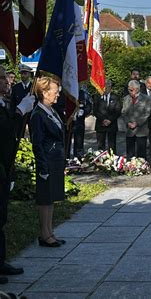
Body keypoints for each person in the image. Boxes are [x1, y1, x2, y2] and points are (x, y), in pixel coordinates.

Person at [0, 66, 34, 284]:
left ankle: (0, 260)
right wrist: (20, 111)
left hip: (4, 165)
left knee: (1, 216)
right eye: (2, 78)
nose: (7, 81)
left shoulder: (3, 103)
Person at [30, 77, 66, 248]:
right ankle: (44, 235)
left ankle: (49, 232)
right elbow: (37, 143)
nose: (58, 93)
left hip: (55, 161)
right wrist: (43, 166)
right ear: (44, 92)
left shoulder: (51, 111)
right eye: (55, 90)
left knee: (51, 198)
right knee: (45, 199)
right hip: (47, 162)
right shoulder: (38, 114)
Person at [122, 80, 151, 159]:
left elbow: (147, 113)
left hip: (141, 130)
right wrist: (128, 122)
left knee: (141, 154)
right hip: (129, 130)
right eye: (129, 90)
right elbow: (123, 113)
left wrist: (137, 123)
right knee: (130, 153)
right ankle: (129, 168)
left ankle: (141, 169)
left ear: (137, 89)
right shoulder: (126, 98)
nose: (130, 91)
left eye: (132, 90)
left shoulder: (146, 99)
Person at [93, 79, 122, 154]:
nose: (105, 88)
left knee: (112, 146)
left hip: (112, 125)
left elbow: (118, 110)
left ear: (110, 87)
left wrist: (109, 120)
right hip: (100, 124)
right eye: (104, 86)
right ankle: (100, 162)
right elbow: (95, 110)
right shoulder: (97, 97)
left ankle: (112, 162)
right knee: (100, 146)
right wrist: (103, 120)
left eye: (107, 86)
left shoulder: (116, 97)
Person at [72, 86, 92, 159]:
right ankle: (66, 158)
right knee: (66, 141)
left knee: (79, 141)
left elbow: (89, 106)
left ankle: (78, 158)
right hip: (69, 121)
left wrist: (84, 112)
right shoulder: (68, 91)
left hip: (79, 121)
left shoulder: (83, 94)